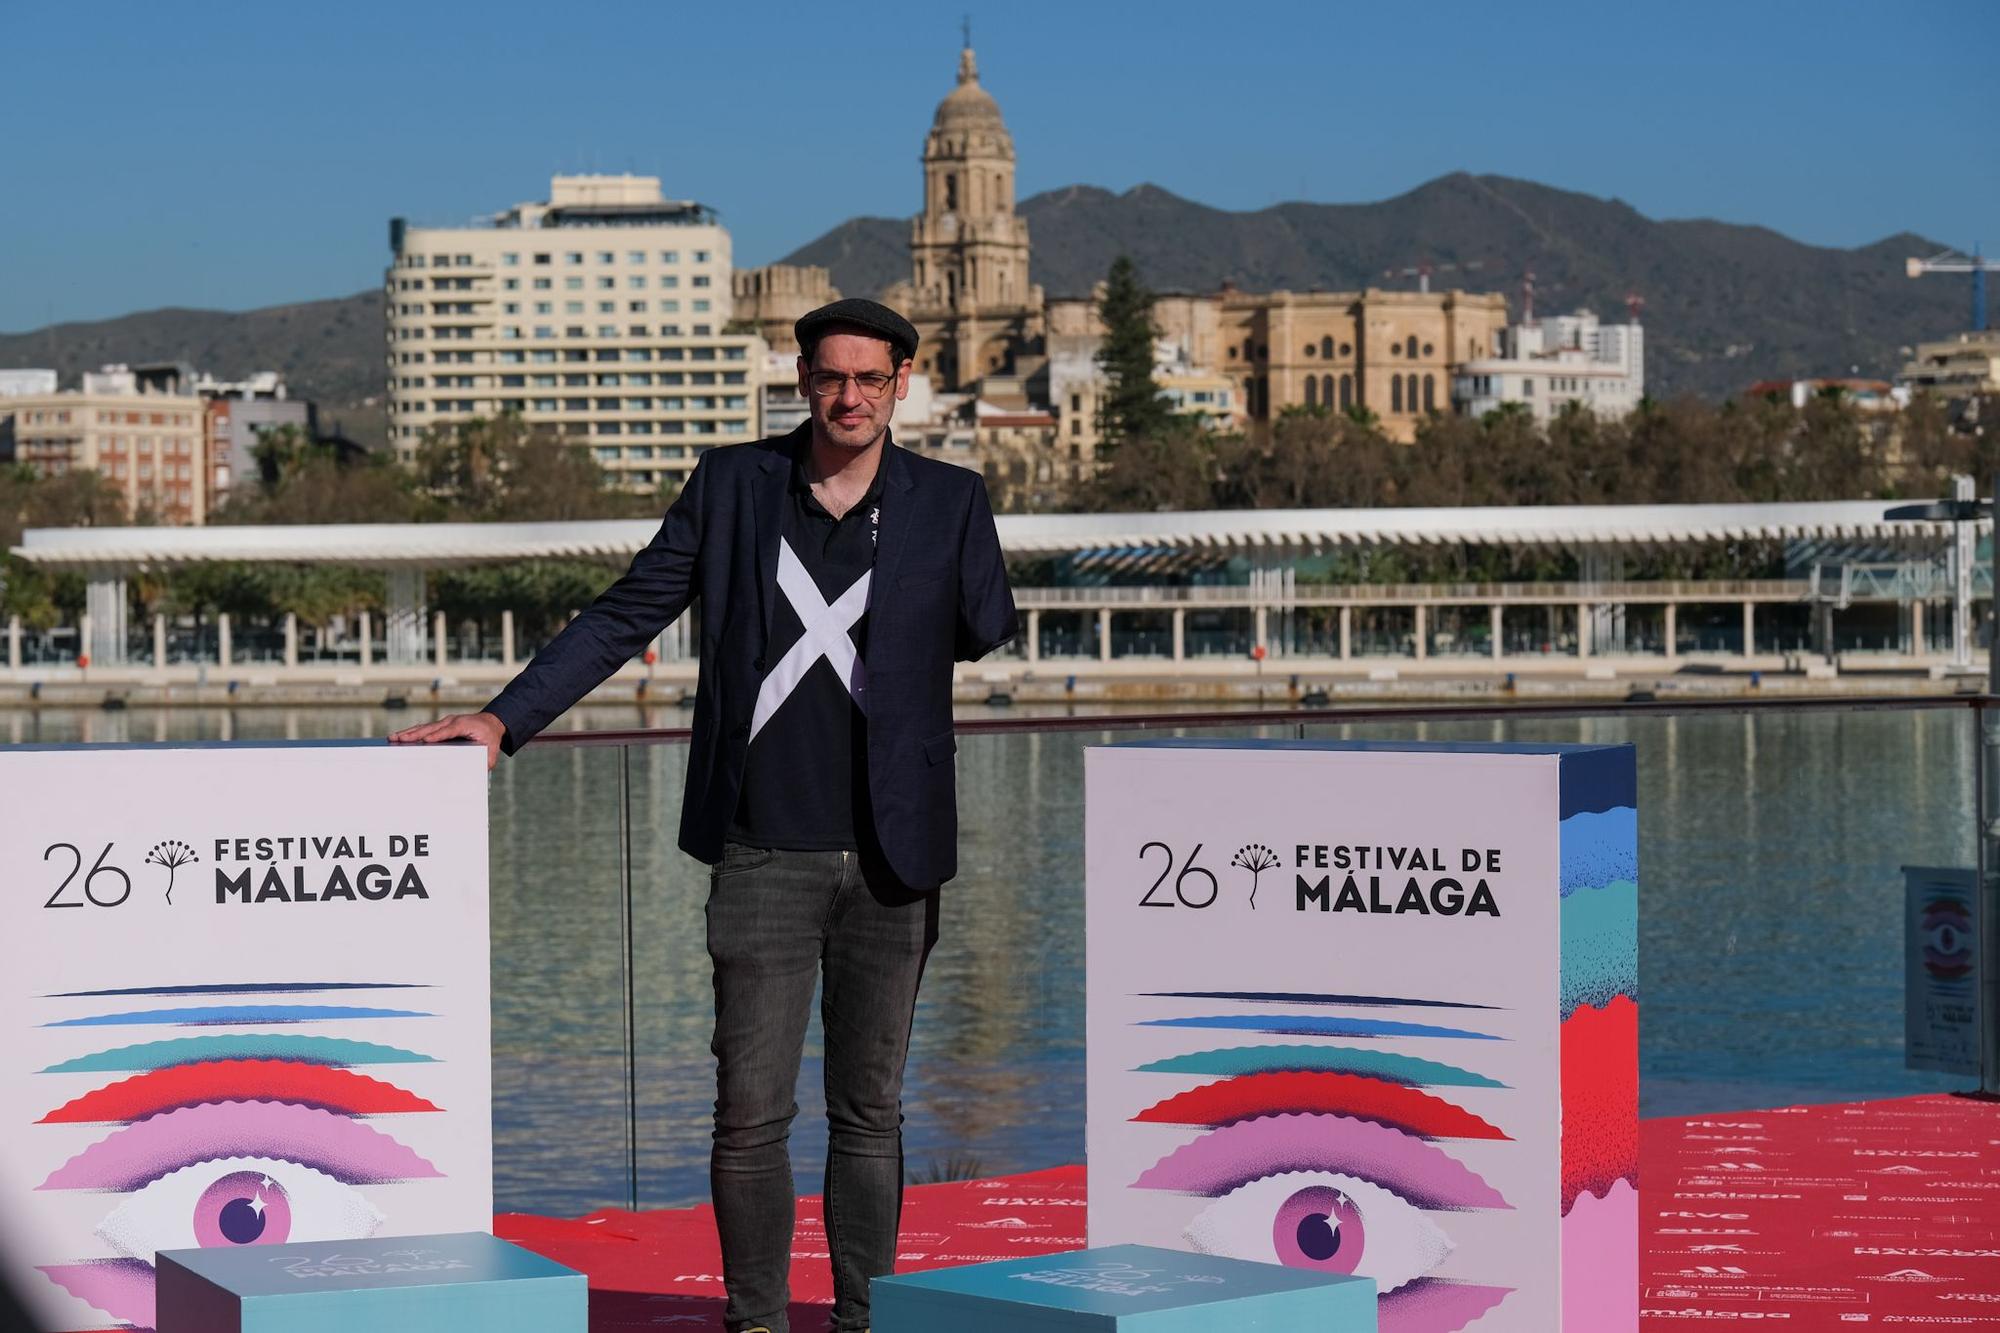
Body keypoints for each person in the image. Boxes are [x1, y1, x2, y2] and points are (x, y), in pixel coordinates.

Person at [392, 297, 1017, 1333]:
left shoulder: (949, 499)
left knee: (869, 1114)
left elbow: (982, 626)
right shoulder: (735, 488)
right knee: (747, 1116)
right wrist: (505, 720)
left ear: (901, 381)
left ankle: (866, 1319)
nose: (847, 396)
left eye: (869, 378)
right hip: (759, 847)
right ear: (801, 379)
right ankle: (756, 1320)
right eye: (828, 377)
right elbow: (628, 611)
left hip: (892, 857)